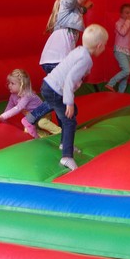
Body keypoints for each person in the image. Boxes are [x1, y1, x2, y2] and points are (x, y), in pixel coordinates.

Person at [39, 24, 108, 171]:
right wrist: (69, 102)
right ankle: (67, 157)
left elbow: (69, 68)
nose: (105, 48)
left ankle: (64, 143)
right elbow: (69, 80)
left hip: (48, 85)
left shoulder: (79, 50)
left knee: (72, 112)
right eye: (105, 45)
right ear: (99, 45)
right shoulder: (86, 59)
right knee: (70, 121)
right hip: (54, 90)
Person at [39, 0, 92, 74]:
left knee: (61, 83)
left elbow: (79, 11)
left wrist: (86, 7)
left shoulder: (75, 10)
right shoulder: (66, 3)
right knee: (67, 80)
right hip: (56, 59)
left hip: (58, 59)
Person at [0, 68, 60, 138]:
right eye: (9, 83)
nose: (9, 85)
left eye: (12, 83)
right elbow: (9, 107)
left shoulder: (27, 95)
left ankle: (59, 132)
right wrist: (1, 117)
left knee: (41, 123)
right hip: (31, 118)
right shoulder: (13, 96)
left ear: (22, 85)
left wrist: (3, 116)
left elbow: (18, 108)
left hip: (42, 115)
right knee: (27, 130)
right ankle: (46, 136)